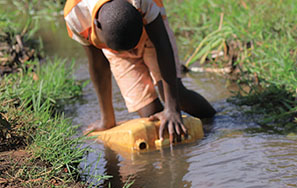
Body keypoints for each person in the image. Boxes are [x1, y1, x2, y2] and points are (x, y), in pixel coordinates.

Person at [64, 0, 216, 142]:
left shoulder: (143, 2)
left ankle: (216, 121)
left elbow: (162, 44)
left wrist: (172, 109)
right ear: (97, 25)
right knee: (150, 113)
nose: (133, 52)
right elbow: (98, 66)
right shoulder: (76, 16)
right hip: (115, 47)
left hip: (149, 33)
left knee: (176, 95)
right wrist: (107, 118)